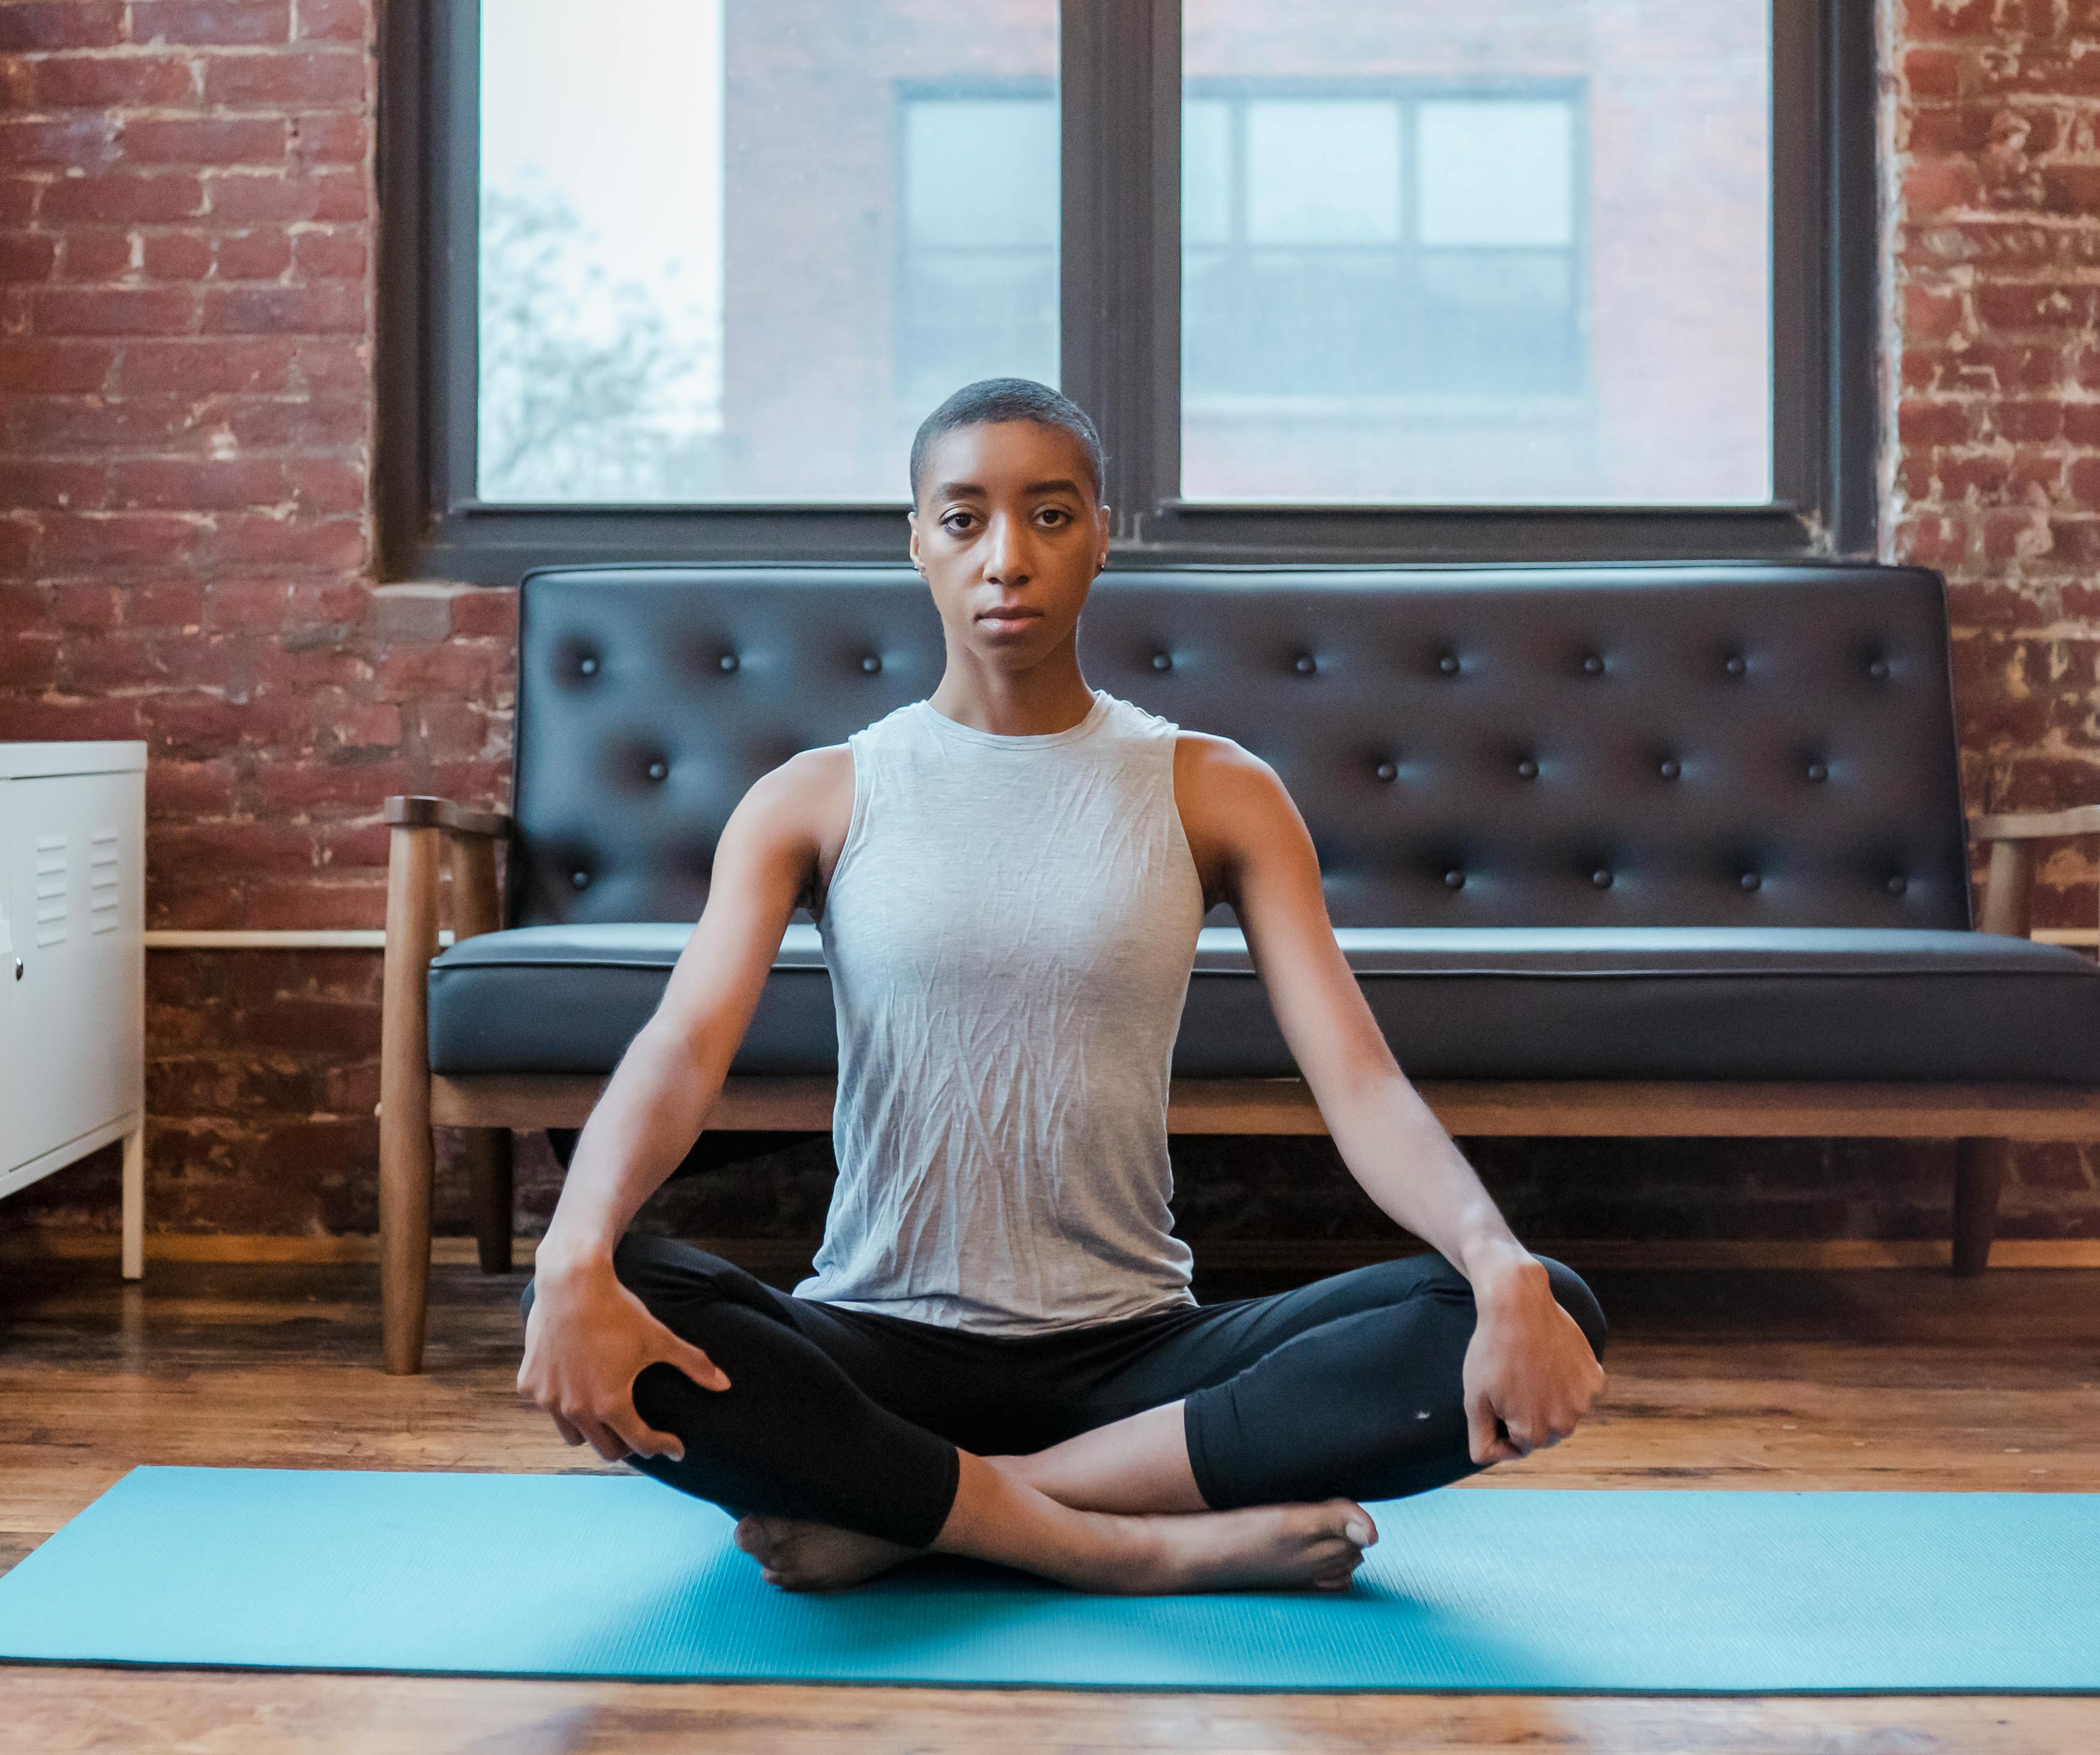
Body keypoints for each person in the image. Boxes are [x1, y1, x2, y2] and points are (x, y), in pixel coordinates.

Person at [516, 378, 1607, 1596]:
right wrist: (575, 1248)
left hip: (1138, 1351)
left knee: (1532, 1302)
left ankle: (910, 1506)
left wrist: (1493, 1252)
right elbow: (680, 1050)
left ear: (1100, 533)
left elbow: (1358, 1082)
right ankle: (1123, 1543)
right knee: (633, 1288)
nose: (1005, 559)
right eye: (964, 518)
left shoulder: (1215, 788)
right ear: (917, 540)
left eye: (1047, 516)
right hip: (870, 1340)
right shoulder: (816, 796)